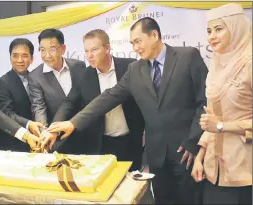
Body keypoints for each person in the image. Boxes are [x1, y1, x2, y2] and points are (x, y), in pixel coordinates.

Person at [46, 17, 208, 204]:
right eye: (132, 43)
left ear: (154, 35)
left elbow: (204, 101)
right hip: (156, 155)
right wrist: (72, 123)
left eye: (138, 41)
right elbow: (108, 97)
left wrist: (194, 140)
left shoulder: (187, 57)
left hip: (186, 151)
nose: (135, 48)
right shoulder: (135, 69)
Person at [45, 29, 145, 171]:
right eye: (86, 51)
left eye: (94, 50)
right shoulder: (84, 75)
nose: (89, 56)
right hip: (100, 143)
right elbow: (69, 103)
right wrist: (54, 129)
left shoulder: (130, 67)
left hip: (130, 140)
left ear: (107, 48)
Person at [191, 3, 252, 204]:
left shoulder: (249, 63)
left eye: (219, 29)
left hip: (243, 172)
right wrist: (200, 156)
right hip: (213, 168)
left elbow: (216, 124)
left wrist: (220, 126)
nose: (212, 37)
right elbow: (212, 119)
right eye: (209, 31)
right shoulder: (217, 63)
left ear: (235, 28)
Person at [28, 29, 87, 154]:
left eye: (52, 49)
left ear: (63, 49)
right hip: (58, 138)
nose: (47, 55)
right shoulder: (35, 77)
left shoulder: (79, 66)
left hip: (85, 132)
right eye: (42, 50)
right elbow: (39, 107)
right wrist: (44, 130)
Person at [0, 38, 44, 152]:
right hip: (13, 143)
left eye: (25, 55)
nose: (19, 60)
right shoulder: (2, 83)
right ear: (10, 57)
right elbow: (6, 113)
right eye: (15, 55)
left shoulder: (38, 79)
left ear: (32, 58)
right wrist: (28, 124)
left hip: (39, 140)